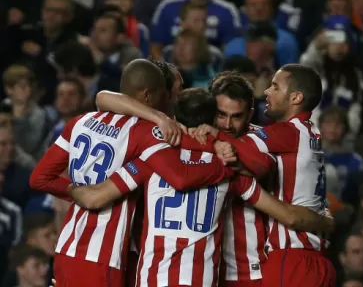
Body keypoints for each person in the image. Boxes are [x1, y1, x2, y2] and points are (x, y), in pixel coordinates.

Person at [67, 86, 333, 287]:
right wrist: (324, 221)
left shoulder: (154, 154)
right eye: (222, 116)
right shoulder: (230, 166)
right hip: (205, 277)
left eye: (236, 116)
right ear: (212, 118)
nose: (228, 124)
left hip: (161, 277)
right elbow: (270, 179)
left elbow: (94, 197)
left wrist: (70, 189)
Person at [28, 59, 237, 287]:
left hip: (68, 247)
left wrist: (73, 190)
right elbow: (181, 177)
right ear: (150, 95)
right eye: (173, 91)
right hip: (103, 255)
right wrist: (222, 157)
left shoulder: (81, 120)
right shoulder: (146, 133)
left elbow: (39, 178)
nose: (175, 98)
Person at [194, 64, 336, 287]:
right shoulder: (304, 134)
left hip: (275, 264)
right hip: (213, 269)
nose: (227, 125)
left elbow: (260, 164)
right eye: (220, 115)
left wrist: (216, 137)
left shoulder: (278, 137)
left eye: (275, 87)